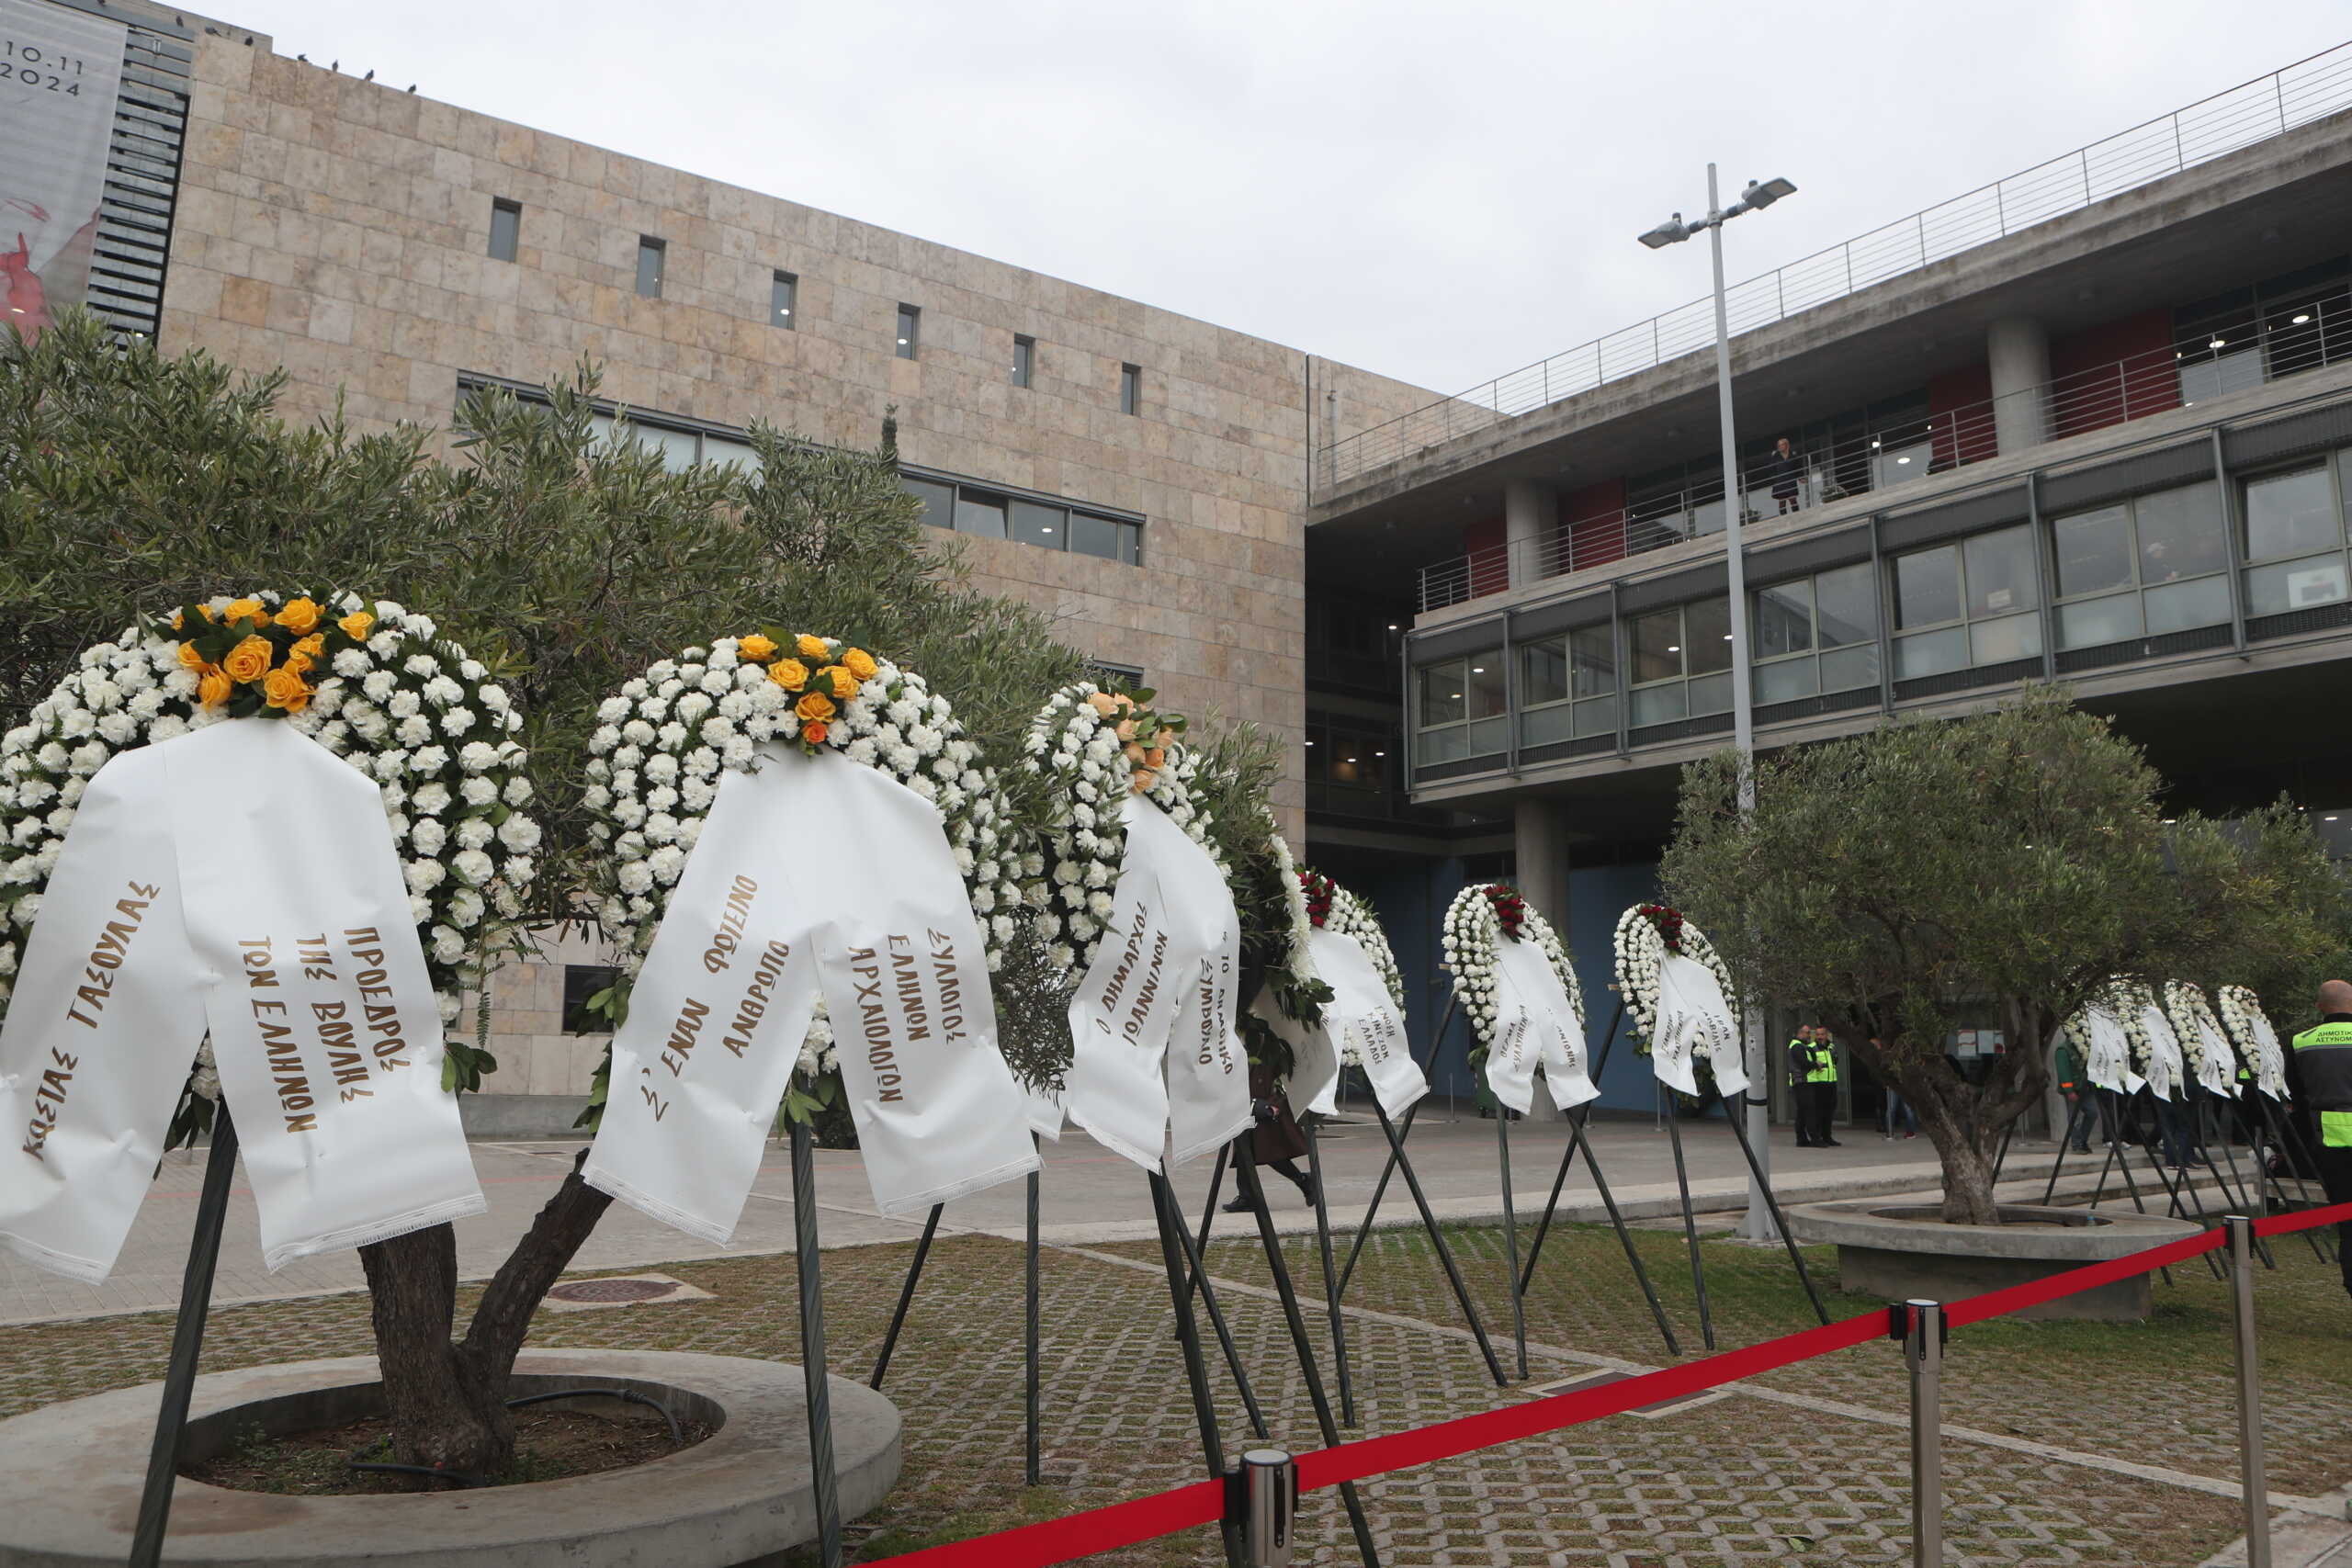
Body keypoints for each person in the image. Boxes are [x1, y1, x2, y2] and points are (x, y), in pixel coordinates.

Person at [2287, 980, 2352, 1297]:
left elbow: (2296, 1097)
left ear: (2319, 1007)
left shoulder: (2302, 1041)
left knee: (2347, 1224)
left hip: (2328, 1142)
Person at [1223, 1059, 1317, 1213]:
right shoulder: (1248, 1046)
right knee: (1245, 1151)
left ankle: (1304, 1181)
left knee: (1270, 1153)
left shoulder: (1274, 1046)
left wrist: (1276, 1105)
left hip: (1266, 1105)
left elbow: (1285, 1079)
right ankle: (1246, 1197)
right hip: (1249, 1102)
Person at [1762, 436, 1805, 515]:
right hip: (1780, 481)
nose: (1779, 447)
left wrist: (1800, 477)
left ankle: (1797, 516)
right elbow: (1770, 468)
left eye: (1781, 445)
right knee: (1782, 501)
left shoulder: (1793, 454)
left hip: (1790, 480)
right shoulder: (1775, 456)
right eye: (1778, 445)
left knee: (1793, 499)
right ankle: (1783, 518)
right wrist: (1774, 478)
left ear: (1786, 445)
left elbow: (1798, 467)